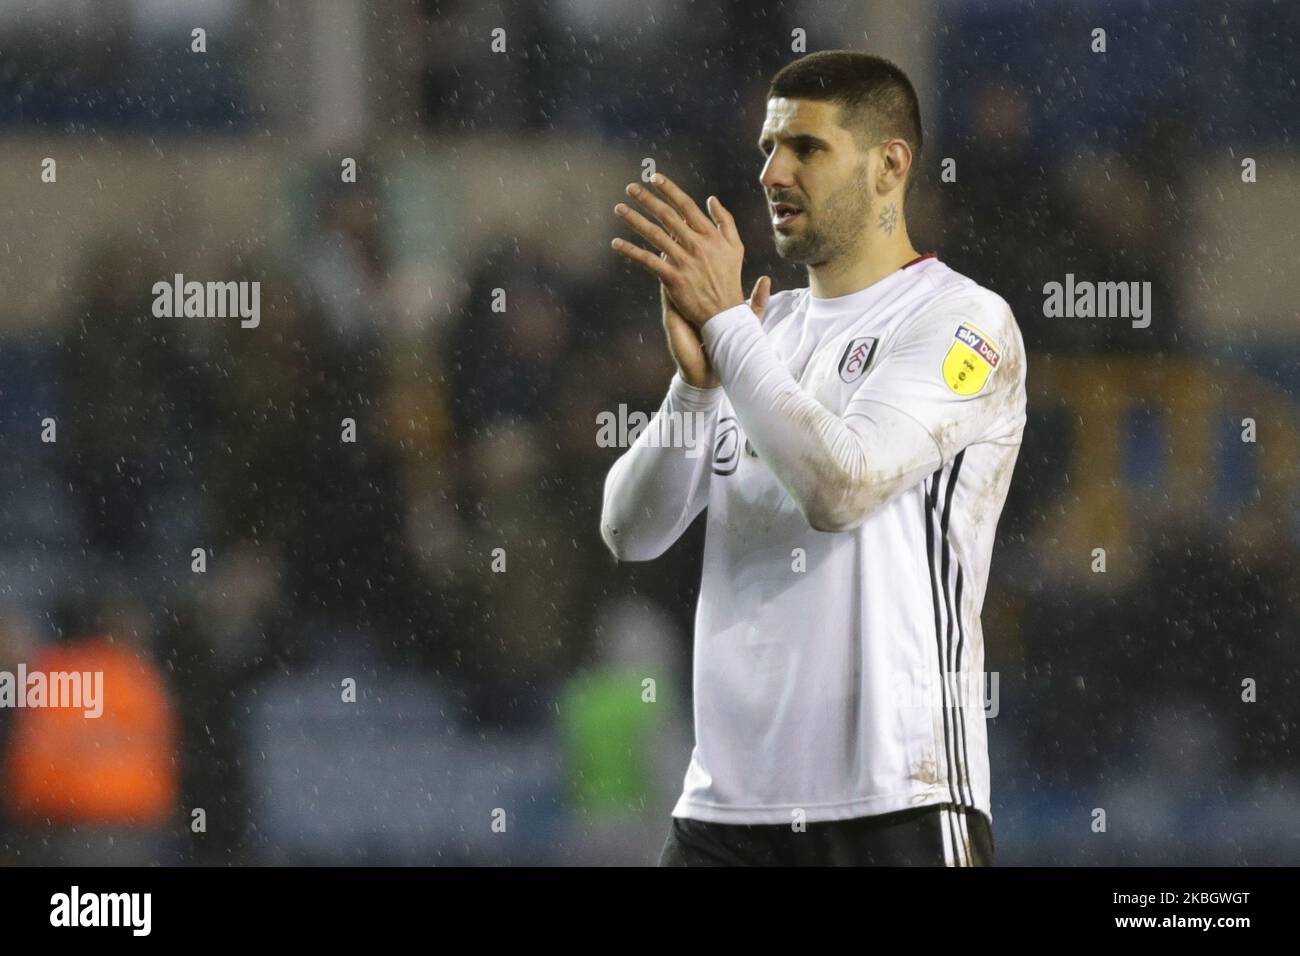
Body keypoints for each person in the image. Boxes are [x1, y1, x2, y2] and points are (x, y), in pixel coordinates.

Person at [601, 50, 1026, 866]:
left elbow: (841, 485)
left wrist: (727, 330)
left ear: (889, 165)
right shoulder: (762, 334)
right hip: (723, 815)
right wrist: (693, 392)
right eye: (767, 148)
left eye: (806, 148)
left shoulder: (965, 322)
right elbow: (630, 531)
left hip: (896, 804)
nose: (773, 171)